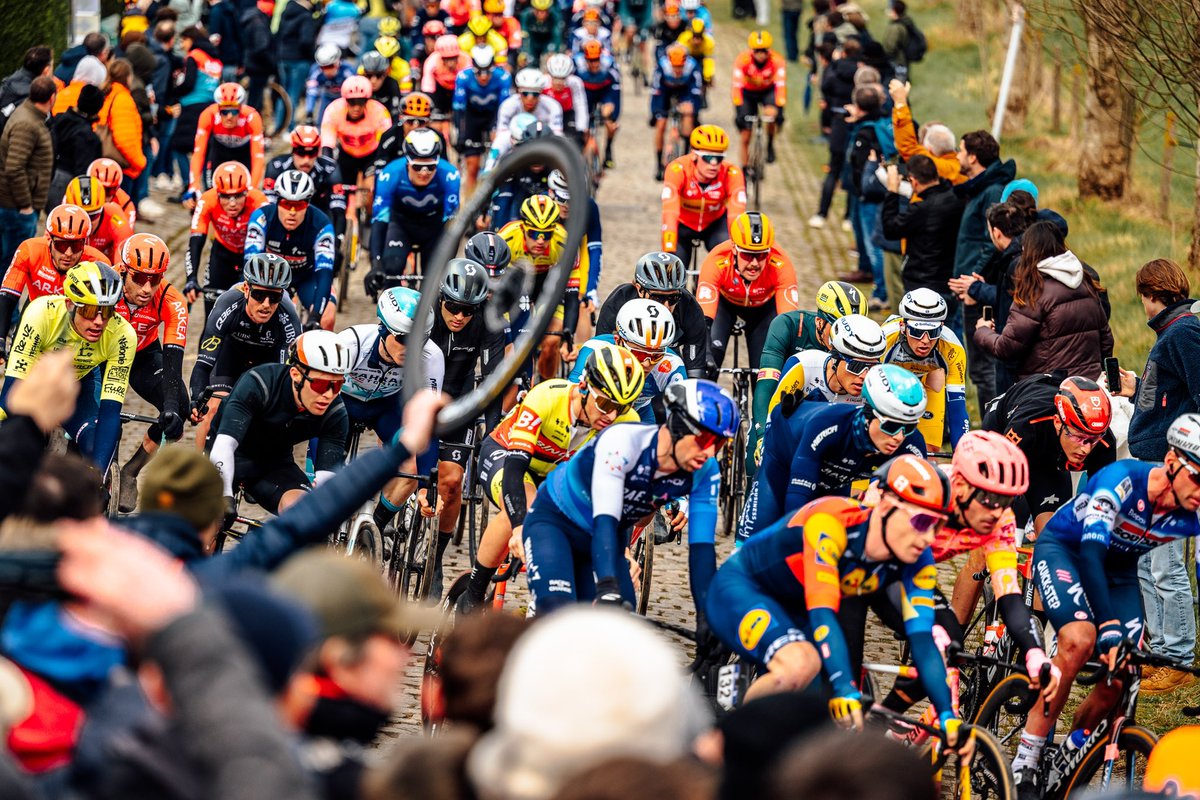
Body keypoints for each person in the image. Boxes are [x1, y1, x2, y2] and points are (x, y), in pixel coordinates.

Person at [706, 454, 970, 765]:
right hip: (745, 587)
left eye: (937, 525)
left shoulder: (918, 559)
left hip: (799, 604)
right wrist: (846, 688)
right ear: (884, 505)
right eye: (921, 521)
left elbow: (923, 642)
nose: (928, 538)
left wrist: (949, 717)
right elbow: (823, 615)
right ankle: (725, 753)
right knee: (800, 664)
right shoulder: (831, 524)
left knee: (820, 718)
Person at [1011, 415, 1200, 799]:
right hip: (1068, 552)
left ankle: (1072, 750)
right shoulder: (1122, 481)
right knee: (1080, 641)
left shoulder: (1192, 511)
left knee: (1123, 670)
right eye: (1197, 478)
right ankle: (1026, 757)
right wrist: (1109, 626)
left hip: (1119, 573)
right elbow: (1092, 554)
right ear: (1171, 462)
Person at [873, 431, 1058, 722]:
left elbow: (1009, 597)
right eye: (988, 498)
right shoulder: (927, 497)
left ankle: (887, 717)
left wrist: (1034, 652)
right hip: (874, 567)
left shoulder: (999, 519)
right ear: (960, 485)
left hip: (914, 574)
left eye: (1006, 500)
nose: (996, 511)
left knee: (952, 647)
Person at [455, 344, 644, 615]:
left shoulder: (626, 422)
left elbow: (620, 494)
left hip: (557, 475)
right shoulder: (547, 397)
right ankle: (473, 593)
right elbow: (515, 470)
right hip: (507, 455)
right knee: (524, 511)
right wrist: (520, 527)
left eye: (621, 406)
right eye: (605, 403)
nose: (612, 415)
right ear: (584, 387)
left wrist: (623, 551)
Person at [522, 378, 732, 616]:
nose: (709, 452)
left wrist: (707, 617)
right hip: (556, 522)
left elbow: (702, 549)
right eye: (705, 440)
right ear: (677, 426)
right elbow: (605, 521)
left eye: (719, 444)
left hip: (604, 537)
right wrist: (608, 587)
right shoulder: (624, 442)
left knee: (621, 624)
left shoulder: (705, 469)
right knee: (556, 613)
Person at [1108, 258, 1200, 693]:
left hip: (1171, 462)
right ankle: (1158, 650)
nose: (1141, 305)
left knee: (1165, 565)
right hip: (1150, 461)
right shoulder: (1173, 329)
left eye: (1142, 297)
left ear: (1152, 294)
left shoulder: (1184, 331)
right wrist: (1136, 387)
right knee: (1147, 562)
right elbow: (1170, 390)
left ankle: (1179, 656)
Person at [740, 365, 927, 544]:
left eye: (909, 427)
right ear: (869, 414)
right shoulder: (828, 426)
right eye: (891, 426)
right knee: (763, 537)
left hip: (837, 477)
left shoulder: (912, 442)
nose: (900, 436)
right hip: (784, 454)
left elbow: (920, 506)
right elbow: (797, 503)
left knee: (838, 543)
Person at [0, 262, 136, 472]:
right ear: (70, 305)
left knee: (94, 444)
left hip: (80, 383)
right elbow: (11, 395)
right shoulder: (41, 314)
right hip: (35, 383)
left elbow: (110, 413)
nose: (99, 321)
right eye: (90, 310)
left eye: (107, 311)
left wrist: (97, 479)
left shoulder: (123, 335)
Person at [208, 329, 350, 515]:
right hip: (230, 453)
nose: (329, 395)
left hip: (275, 464)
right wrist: (224, 498)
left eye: (337, 385)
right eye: (320, 385)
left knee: (307, 513)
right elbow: (224, 445)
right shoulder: (258, 383)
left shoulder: (335, 414)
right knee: (208, 526)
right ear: (296, 375)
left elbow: (326, 479)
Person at [749, 280, 867, 471]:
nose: (848, 335)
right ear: (820, 322)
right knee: (755, 463)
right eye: (839, 326)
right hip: (783, 406)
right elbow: (766, 386)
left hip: (828, 416)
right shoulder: (788, 326)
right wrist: (762, 434)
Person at [974, 221, 1112, 382]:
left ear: (1028, 251)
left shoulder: (1034, 293)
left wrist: (983, 330)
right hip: (1089, 389)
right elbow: (1106, 341)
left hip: (1049, 391)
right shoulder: (1087, 284)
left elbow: (1007, 348)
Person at [111, 233, 191, 511]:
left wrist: (171, 410)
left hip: (143, 354)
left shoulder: (172, 300)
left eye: (154, 280)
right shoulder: (106, 284)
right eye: (139, 278)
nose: (147, 288)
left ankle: (130, 471)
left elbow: (172, 363)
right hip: (103, 353)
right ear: (123, 271)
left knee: (180, 405)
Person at [188, 255, 301, 447]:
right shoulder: (227, 304)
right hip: (230, 357)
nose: (266, 304)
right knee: (213, 410)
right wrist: (197, 398)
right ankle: (201, 473)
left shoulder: (288, 317)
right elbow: (204, 364)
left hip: (267, 361)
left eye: (274, 297)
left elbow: (284, 378)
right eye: (259, 295)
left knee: (265, 417)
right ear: (246, 289)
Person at [981, 373, 1116, 533]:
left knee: (1053, 535)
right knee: (1000, 525)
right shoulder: (1026, 426)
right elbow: (995, 485)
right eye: (1079, 437)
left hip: (1050, 456)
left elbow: (1100, 505)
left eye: (1092, 440)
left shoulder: (1104, 443)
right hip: (1004, 426)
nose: (1086, 448)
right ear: (1058, 422)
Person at [953, 129, 1015, 410]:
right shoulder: (980, 186)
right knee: (979, 368)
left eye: (960, 150)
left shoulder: (991, 190)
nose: (957, 156)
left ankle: (992, 426)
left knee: (983, 367)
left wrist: (973, 278)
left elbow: (993, 240)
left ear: (973, 157)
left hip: (978, 290)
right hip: (972, 286)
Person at [0, 205, 110, 359]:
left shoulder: (99, 264)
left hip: (73, 326)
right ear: (50, 239)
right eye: (62, 245)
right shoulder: (30, 250)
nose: (68, 253)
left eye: (76, 245)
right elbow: (8, 295)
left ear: (85, 243)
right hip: (35, 316)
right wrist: (1, 337)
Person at [697, 211, 799, 371]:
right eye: (747, 254)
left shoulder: (781, 263)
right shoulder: (716, 260)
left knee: (765, 370)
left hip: (763, 310)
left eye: (761, 255)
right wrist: (705, 353)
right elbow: (703, 321)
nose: (754, 263)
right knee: (708, 361)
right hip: (725, 306)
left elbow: (788, 322)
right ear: (734, 249)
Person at [368, 129, 461, 295]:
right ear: (407, 162)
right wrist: (376, 264)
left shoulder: (450, 175)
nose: (424, 172)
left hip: (434, 227)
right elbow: (379, 222)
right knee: (392, 267)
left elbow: (452, 227)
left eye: (431, 167)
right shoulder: (390, 174)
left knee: (435, 279)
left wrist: (447, 264)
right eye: (417, 167)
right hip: (401, 225)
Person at [244, 169, 337, 327]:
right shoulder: (261, 217)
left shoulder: (322, 224)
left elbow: (325, 273)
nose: (292, 212)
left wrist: (316, 316)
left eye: (299, 205)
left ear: (307, 204)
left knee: (327, 316)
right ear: (278, 201)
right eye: (287, 204)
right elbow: (251, 264)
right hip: (270, 276)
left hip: (306, 277)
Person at [597, 251, 710, 378]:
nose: (666, 306)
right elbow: (602, 354)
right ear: (640, 289)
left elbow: (695, 371)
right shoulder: (620, 300)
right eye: (658, 298)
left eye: (674, 297)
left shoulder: (689, 306)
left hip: (665, 360)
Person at [881, 289, 968, 452]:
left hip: (929, 379)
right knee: (887, 444)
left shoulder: (952, 349)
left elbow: (957, 411)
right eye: (917, 331)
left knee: (928, 451)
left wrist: (962, 454)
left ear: (942, 326)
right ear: (903, 326)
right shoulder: (884, 338)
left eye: (933, 332)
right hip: (889, 381)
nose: (925, 341)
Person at [572, 298, 685, 423]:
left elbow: (681, 421)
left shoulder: (672, 365)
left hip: (639, 412)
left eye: (655, 356)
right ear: (618, 341)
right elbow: (573, 398)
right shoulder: (595, 349)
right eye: (639, 354)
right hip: (598, 411)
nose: (647, 363)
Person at [880, 154, 964, 311]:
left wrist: (892, 191)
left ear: (914, 181)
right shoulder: (956, 198)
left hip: (923, 285)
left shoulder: (922, 209)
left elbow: (891, 229)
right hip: (949, 282)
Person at [185, 160, 270, 312]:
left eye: (238, 196)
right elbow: (195, 242)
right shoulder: (207, 200)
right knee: (212, 314)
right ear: (217, 193)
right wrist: (191, 279)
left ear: (246, 192)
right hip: (222, 253)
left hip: (251, 257)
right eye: (225, 197)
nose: (232, 203)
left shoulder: (259, 201)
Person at [264, 126, 347, 276]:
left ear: (318, 151)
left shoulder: (330, 168)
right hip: (287, 217)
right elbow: (267, 208)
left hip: (320, 214)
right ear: (293, 150)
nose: (306, 160)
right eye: (301, 152)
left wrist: (336, 243)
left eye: (312, 153)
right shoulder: (276, 166)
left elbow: (338, 211)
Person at [661, 124, 746, 268]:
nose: (713, 164)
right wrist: (669, 246)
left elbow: (736, 214)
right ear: (694, 154)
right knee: (673, 269)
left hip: (714, 224)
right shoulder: (678, 169)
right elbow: (670, 210)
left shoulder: (732, 173)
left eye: (718, 158)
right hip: (684, 223)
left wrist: (736, 247)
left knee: (728, 261)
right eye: (707, 157)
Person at [766, 314, 886, 414]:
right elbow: (773, 418)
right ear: (835, 358)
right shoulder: (803, 365)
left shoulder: (876, 386)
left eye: (872, 368)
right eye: (856, 366)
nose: (864, 376)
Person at [0, 75, 56, 272]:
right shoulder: (27, 124)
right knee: (13, 267)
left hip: (17, 206)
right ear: (51, 98)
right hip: (16, 209)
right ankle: (7, 303)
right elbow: (14, 167)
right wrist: (25, 206)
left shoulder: (30, 116)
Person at [186, 83, 265, 204]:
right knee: (211, 194)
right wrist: (193, 186)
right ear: (218, 109)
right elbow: (198, 153)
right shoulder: (208, 115)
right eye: (224, 112)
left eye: (234, 112)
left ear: (240, 108)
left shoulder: (252, 117)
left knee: (243, 196)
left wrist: (252, 189)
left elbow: (258, 158)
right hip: (219, 151)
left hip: (243, 154)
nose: (229, 117)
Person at [453, 45, 511, 194]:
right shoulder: (464, 77)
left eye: (487, 72)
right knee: (472, 166)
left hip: (494, 115)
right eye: (478, 72)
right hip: (472, 117)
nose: (483, 77)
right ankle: (470, 205)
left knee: (497, 154)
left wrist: (498, 131)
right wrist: (461, 135)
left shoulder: (503, 77)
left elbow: (504, 109)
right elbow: (459, 109)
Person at [887, 79, 962, 185]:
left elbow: (909, 148)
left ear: (929, 149)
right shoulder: (963, 166)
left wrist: (900, 103)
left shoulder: (940, 167)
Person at [45, 86, 105, 210]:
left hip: (46, 176)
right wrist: (86, 202)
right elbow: (83, 173)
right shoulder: (87, 137)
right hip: (64, 184)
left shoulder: (59, 119)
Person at [733, 31, 786, 170]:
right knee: (746, 133)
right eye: (757, 51)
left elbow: (780, 86)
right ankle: (744, 169)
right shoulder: (742, 60)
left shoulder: (777, 60)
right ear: (751, 50)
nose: (761, 54)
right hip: (748, 93)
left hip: (767, 91)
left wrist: (779, 110)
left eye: (764, 51)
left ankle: (769, 143)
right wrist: (739, 110)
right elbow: (736, 86)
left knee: (771, 113)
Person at [650, 43, 703, 180]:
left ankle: (686, 160)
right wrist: (656, 112)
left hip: (685, 91)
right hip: (665, 92)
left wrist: (692, 108)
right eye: (675, 67)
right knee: (661, 124)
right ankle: (659, 165)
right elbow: (656, 90)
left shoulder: (692, 66)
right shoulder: (662, 66)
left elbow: (696, 91)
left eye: (680, 67)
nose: (678, 70)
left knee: (688, 118)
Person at [96, 59, 148, 182]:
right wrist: (140, 161)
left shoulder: (106, 94)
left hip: (106, 163)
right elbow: (124, 139)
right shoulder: (123, 100)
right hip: (121, 166)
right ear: (128, 77)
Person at [574, 39, 622, 171]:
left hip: (605, 90)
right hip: (586, 92)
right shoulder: (576, 64)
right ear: (585, 58)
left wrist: (613, 116)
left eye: (596, 60)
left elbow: (616, 89)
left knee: (609, 119)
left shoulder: (609, 64)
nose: (594, 64)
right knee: (584, 126)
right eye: (590, 60)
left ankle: (608, 150)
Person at [63, 174, 132, 264]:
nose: (87, 223)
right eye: (81, 216)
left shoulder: (114, 214)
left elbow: (124, 249)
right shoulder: (61, 216)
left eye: (92, 216)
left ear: (102, 208)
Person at [277, 0, 321, 121]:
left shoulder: (286, 11)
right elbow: (306, 41)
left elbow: (279, 34)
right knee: (293, 96)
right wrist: (312, 56)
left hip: (283, 58)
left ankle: (279, 126)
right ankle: (288, 127)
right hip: (299, 61)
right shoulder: (306, 16)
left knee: (284, 95)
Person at [306, 43, 356, 124]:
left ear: (338, 62)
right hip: (327, 98)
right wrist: (309, 113)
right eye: (323, 67)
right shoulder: (315, 70)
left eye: (330, 66)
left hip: (344, 100)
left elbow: (354, 92)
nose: (327, 71)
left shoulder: (348, 70)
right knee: (322, 124)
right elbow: (312, 92)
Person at [88, 157, 137, 226]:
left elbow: (126, 234)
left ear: (117, 188)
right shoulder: (75, 194)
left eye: (109, 191)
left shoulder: (125, 203)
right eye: (98, 189)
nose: (103, 196)